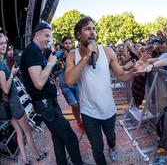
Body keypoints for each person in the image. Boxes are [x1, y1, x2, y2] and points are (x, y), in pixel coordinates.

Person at [65, 16, 143, 164]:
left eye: (94, 29)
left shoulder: (107, 52)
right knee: (97, 147)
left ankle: (112, 148)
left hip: (108, 110)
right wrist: (86, 57)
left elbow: (121, 75)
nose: (93, 32)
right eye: (88, 29)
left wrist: (134, 73)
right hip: (89, 112)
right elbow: (69, 81)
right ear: (78, 35)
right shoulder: (71, 55)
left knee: (111, 137)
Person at [20, 22, 82, 165]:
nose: (49, 39)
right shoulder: (31, 52)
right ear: (37, 35)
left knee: (57, 136)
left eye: (50, 36)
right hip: (45, 104)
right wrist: (50, 63)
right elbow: (39, 83)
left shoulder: (37, 52)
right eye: (46, 35)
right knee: (70, 137)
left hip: (48, 102)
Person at [0, 35, 47, 165]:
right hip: (13, 104)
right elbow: (5, 88)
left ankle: (25, 161)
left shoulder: (1, 61)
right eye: (0, 44)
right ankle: (38, 155)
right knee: (27, 132)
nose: (4, 46)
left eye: (5, 43)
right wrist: (13, 75)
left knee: (19, 132)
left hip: (8, 105)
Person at [58, 36, 84, 130]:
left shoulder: (75, 53)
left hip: (75, 82)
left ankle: (80, 119)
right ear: (63, 44)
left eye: (69, 43)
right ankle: (78, 120)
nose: (68, 45)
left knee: (79, 104)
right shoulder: (58, 54)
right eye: (66, 43)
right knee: (74, 104)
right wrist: (61, 59)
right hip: (64, 84)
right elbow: (53, 66)